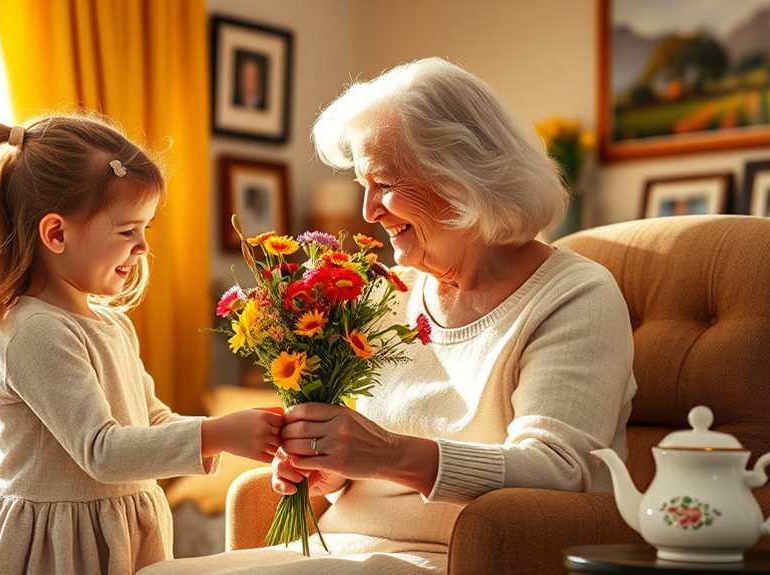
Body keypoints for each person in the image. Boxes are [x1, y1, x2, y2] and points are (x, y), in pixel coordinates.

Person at [138, 57, 636, 575]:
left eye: (387, 183)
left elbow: (562, 471)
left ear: (464, 178)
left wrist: (386, 454)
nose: (369, 211)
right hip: (337, 552)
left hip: (447, 560)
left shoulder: (574, 296)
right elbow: (366, 460)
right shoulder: (391, 298)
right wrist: (327, 469)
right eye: (363, 185)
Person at [0, 114, 284, 575]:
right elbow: (101, 450)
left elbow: (150, 418)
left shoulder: (113, 324)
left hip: (116, 528)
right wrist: (218, 433)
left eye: (145, 229)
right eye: (126, 231)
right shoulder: (35, 330)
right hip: (54, 544)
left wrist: (234, 430)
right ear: (56, 234)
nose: (142, 246)